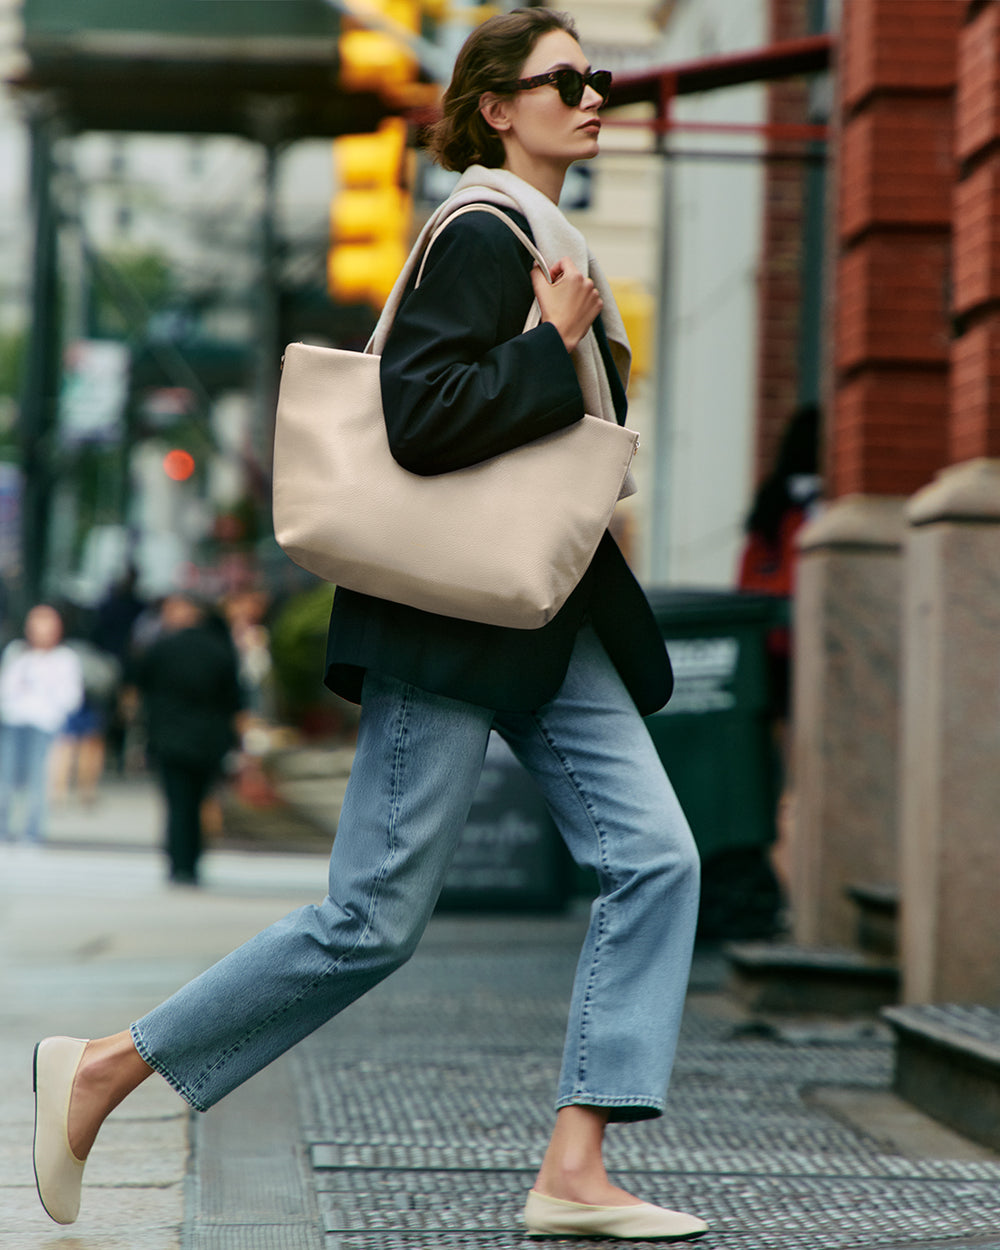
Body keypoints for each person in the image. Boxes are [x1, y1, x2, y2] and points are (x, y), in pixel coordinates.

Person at [32, 11, 705, 1240]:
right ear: (497, 105)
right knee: (370, 920)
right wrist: (552, 349)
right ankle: (106, 1068)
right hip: (452, 617)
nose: (594, 93)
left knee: (657, 858)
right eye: (567, 78)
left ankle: (576, 1162)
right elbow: (422, 416)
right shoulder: (482, 234)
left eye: (598, 76)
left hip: (544, 616)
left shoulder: (548, 237)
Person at [127, 593, 244, 885]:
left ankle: (179, 863)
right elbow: (234, 699)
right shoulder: (220, 649)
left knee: (177, 803)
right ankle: (193, 861)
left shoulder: (160, 647)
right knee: (198, 801)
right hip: (209, 739)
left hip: (169, 737)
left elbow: (136, 685)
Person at [0, 604, 83, 844]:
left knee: (39, 779)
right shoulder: (17, 652)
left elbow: (70, 696)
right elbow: (7, 687)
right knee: (5, 777)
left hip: (45, 723)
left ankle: (32, 830)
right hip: (15, 720)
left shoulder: (65, 658)